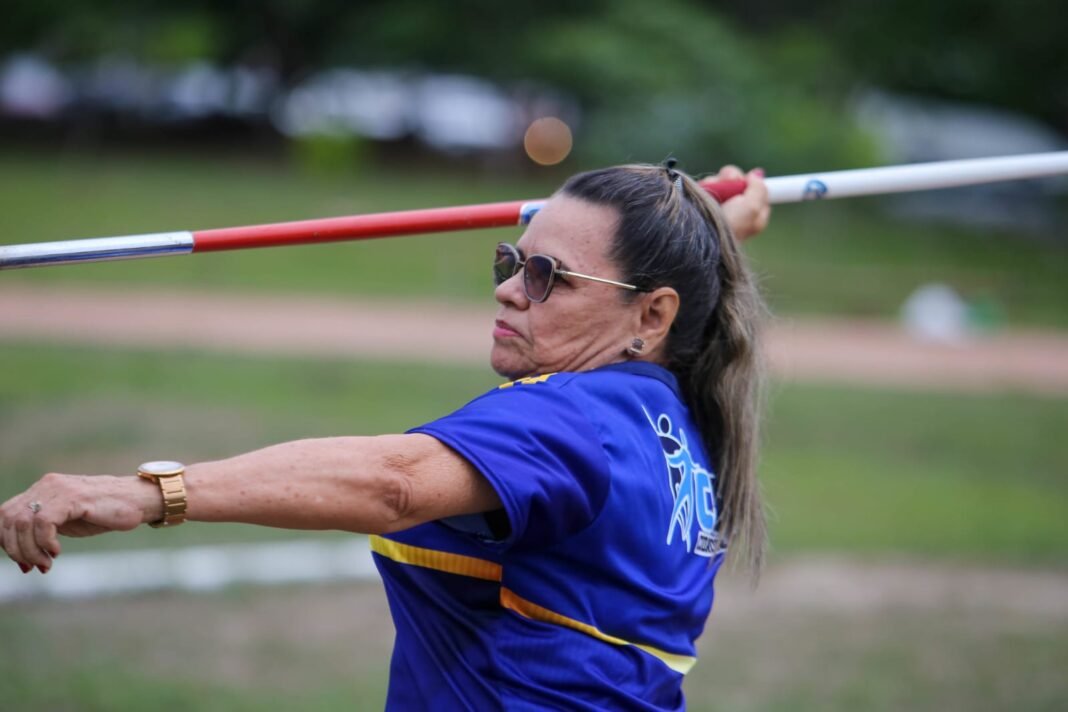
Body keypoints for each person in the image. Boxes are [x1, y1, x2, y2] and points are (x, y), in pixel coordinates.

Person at [0, 161, 770, 710]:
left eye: (549, 276)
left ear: (653, 316)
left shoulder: (572, 421)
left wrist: (144, 493)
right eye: (512, 260)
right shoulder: (669, 421)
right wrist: (708, 230)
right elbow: (673, 301)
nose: (508, 288)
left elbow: (393, 482)